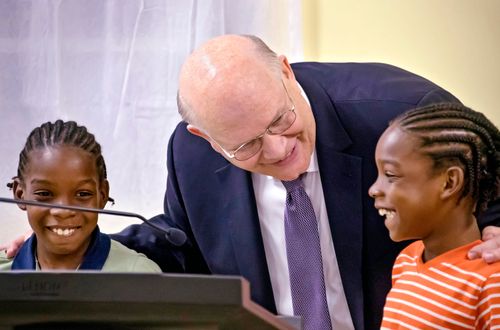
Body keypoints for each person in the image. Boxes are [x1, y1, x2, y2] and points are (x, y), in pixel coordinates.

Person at [3, 35, 500, 328]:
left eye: (280, 121)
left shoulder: (400, 116)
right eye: (246, 146)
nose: (279, 150)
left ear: (285, 72)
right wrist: (81, 242)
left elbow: (488, 180)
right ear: (206, 137)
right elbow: (182, 243)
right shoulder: (191, 154)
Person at [369, 103, 500, 328]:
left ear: (449, 182)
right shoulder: (406, 261)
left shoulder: (491, 282)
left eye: (390, 175)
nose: (374, 189)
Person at [0, 120, 161, 273]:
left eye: (83, 194)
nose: (62, 211)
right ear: (20, 194)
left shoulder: (139, 276)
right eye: (44, 194)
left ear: (103, 195)